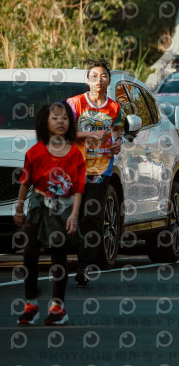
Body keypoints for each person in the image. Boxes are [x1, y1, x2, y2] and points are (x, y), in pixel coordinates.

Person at [14, 102, 86, 325]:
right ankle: (31, 304)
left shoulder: (75, 154)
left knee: (58, 257)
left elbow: (79, 189)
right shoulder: (34, 152)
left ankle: (57, 308)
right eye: (55, 118)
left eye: (64, 118)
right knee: (29, 254)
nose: (60, 122)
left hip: (63, 211)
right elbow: (25, 182)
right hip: (38, 207)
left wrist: (74, 215)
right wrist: (19, 208)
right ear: (45, 123)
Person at [67, 59, 123, 285]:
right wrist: (91, 135)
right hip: (75, 168)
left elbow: (116, 131)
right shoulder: (75, 104)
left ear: (109, 81)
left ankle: (84, 266)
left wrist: (118, 143)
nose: (99, 80)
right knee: (74, 215)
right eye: (94, 76)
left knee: (93, 216)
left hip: (101, 169)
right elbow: (65, 133)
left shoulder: (115, 108)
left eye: (103, 76)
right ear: (87, 80)